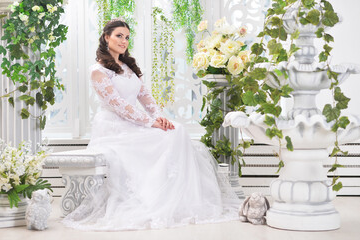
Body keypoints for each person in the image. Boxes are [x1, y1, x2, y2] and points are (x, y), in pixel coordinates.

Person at [62, 18, 241, 231]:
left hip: (135, 122)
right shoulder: (98, 71)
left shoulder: (128, 66)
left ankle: (184, 203)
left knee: (177, 130)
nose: (124, 41)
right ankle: (153, 198)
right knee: (166, 136)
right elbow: (119, 106)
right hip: (114, 127)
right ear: (106, 37)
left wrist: (160, 118)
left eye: (127, 37)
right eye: (119, 35)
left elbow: (146, 98)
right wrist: (150, 123)